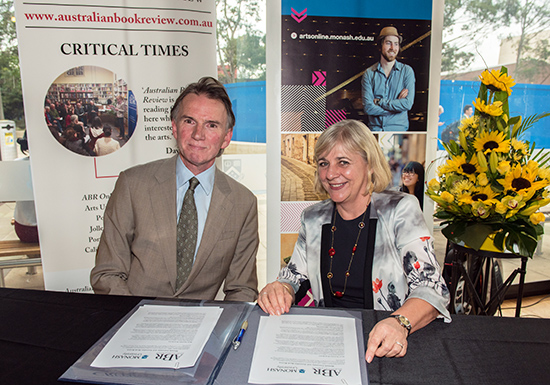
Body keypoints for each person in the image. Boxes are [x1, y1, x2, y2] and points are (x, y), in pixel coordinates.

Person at [258, 120, 450, 363]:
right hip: (328, 345)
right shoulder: (313, 217)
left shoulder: (400, 210)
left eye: (343, 162)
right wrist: (281, 288)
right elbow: (294, 276)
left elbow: (432, 289)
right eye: (323, 163)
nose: (330, 174)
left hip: (389, 344)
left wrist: (399, 322)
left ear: (369, 165)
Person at [91, 76, 259, 301]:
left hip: (201, 329)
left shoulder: (243, 203)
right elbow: (107, 273)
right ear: (174, 127)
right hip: (132, 320)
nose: (198, 134)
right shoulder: (132, 185)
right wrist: (138, 320)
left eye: (211, 125)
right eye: (189, 121)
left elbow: (242, 289)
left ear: (226, 137)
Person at [362, 26, 415, 131]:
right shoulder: (369, 74)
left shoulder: (407, 72)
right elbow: (368, 108)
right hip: (375, 130)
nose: (392, 48)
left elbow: (407, 104)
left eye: (396, 44)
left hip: (398, 130)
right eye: (388, 43)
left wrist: (379, 102)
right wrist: (397, 108)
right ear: (380, 45)